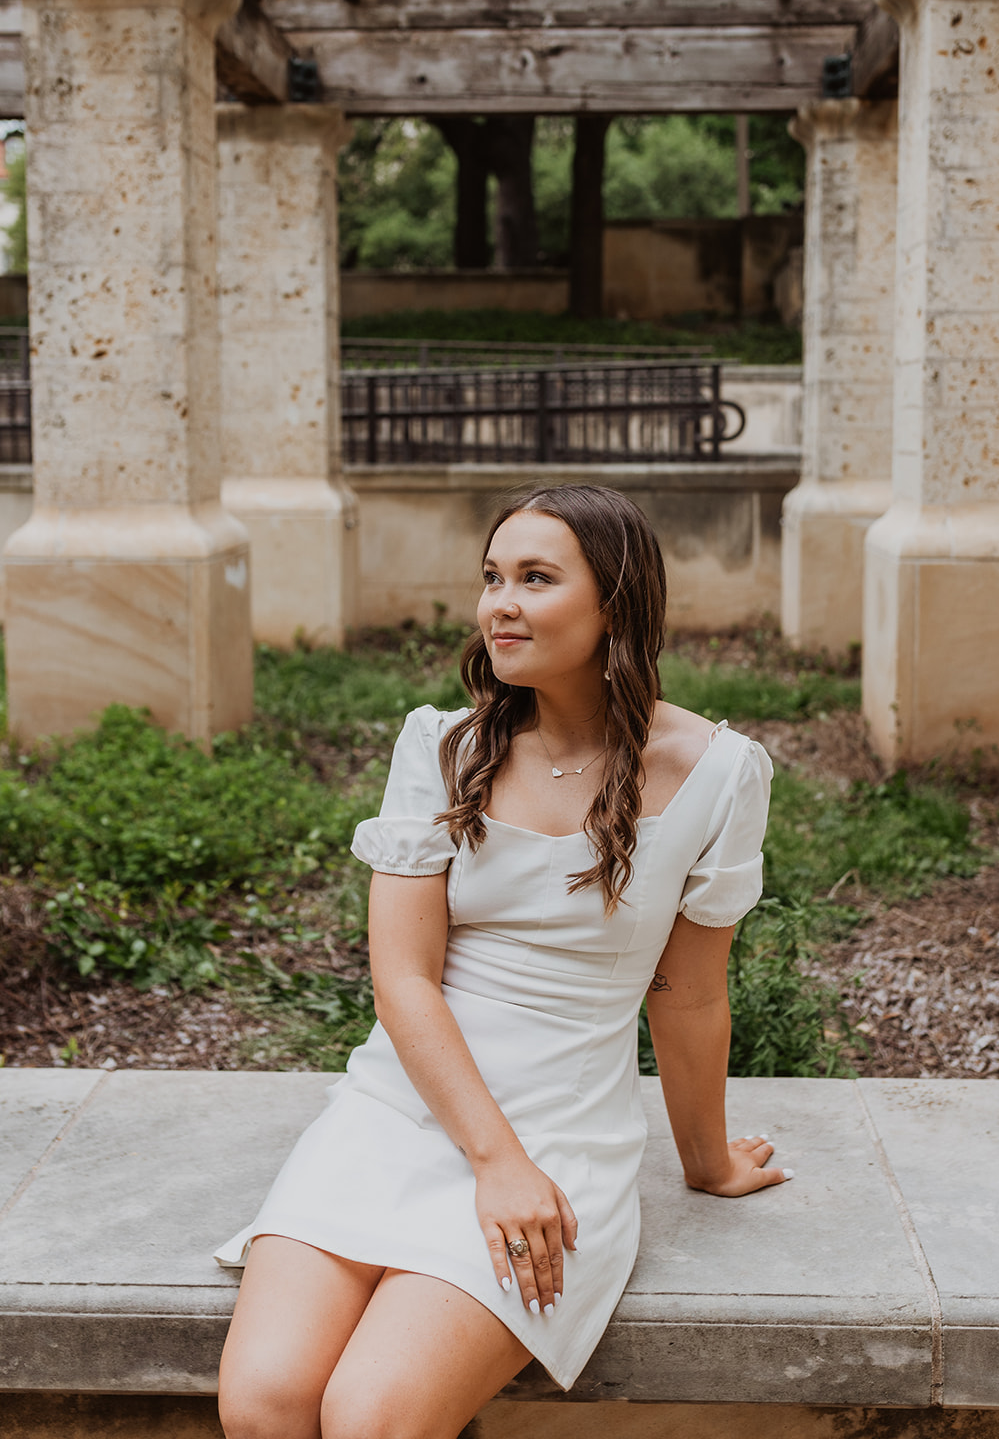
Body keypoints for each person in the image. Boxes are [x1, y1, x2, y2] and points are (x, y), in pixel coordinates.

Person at [215, 482, 789, 1439]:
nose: (500, 604)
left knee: (373, 1420)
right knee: (266, 1403)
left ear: (616, 602)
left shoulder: (719, 772)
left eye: (535, 578)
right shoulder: (442, 747)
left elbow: (686, 995)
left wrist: (706, 1162)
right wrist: (491, 1158)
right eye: (491, 578)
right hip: (400, 1107)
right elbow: (401, 978)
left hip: (561, 1133)